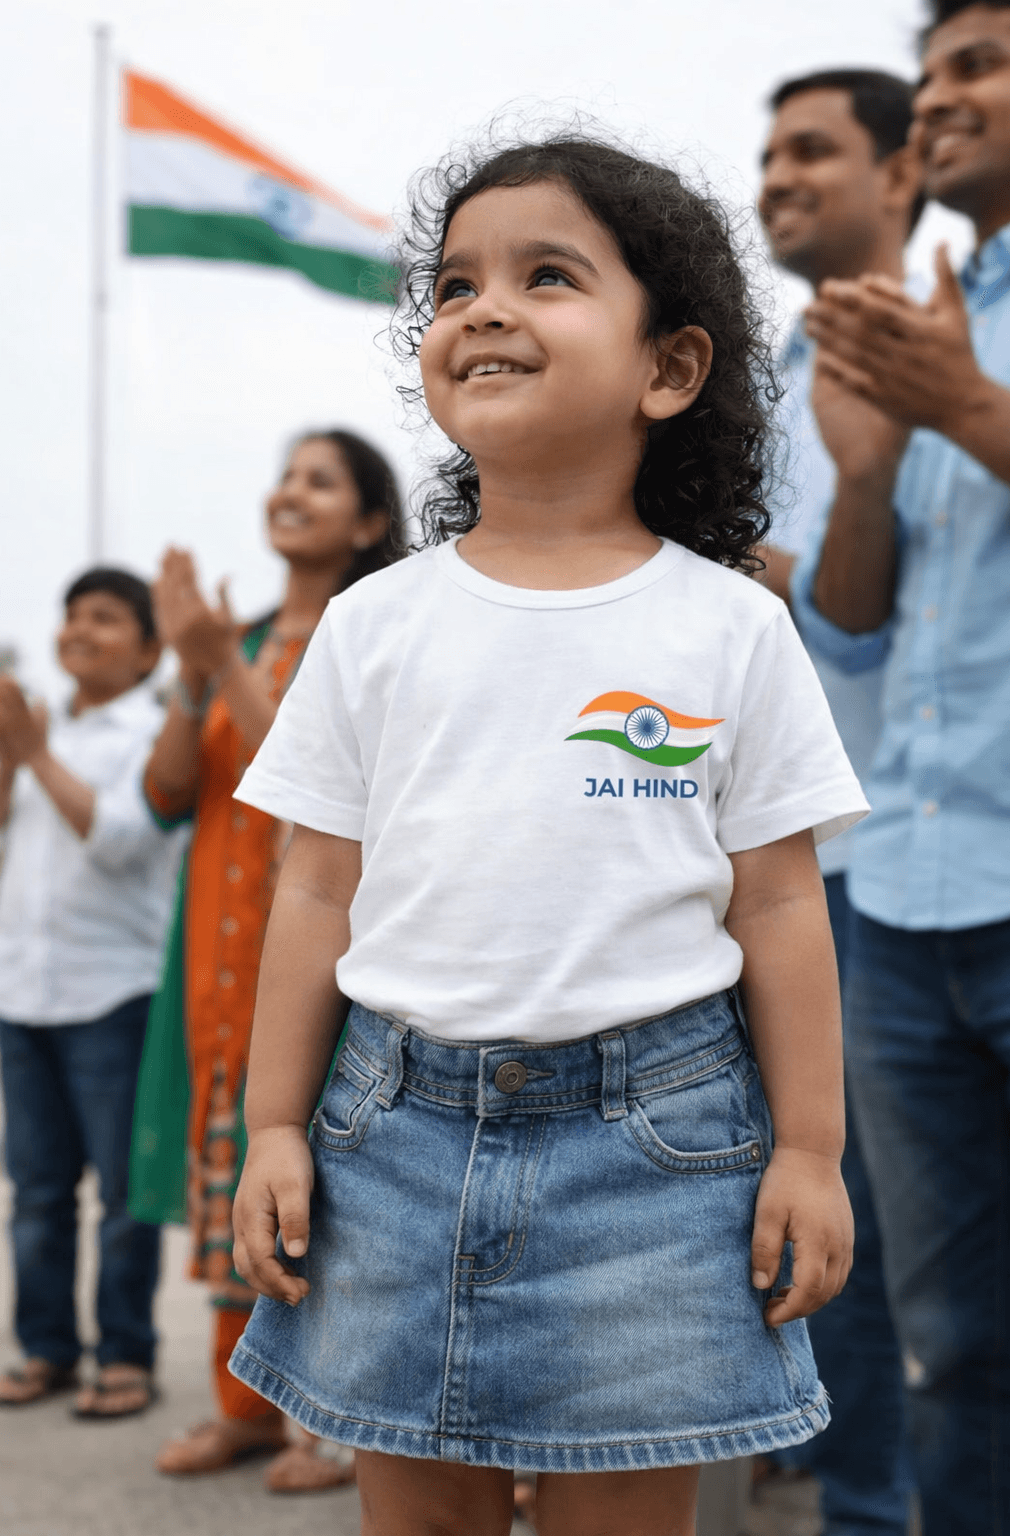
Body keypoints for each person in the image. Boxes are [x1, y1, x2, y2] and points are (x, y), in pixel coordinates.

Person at [227, 130, 870, 1536]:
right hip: (388, 1140)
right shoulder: (373, 622)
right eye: (455, 286)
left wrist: (809, 1151)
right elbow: (314, 890)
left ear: (669, 369)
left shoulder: (732, 627)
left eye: (549, 275)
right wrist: (273, 1126)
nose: (484, 310)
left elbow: (778, 905)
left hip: (661, 1159)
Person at [791, 4, 1010, 1528]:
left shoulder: (945, 350)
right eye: (930, 75)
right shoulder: (930, 308)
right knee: (952, 1352)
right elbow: (857, 632)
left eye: (980, 64)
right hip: (910, 896)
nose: (941, 102)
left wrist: (969, 412)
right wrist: (868, 476)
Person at [142, 430, 403, 1491]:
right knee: (225, 1165)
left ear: (369, 523)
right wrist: (194, 669)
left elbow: (309, 778)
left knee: (329, 1172)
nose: (289, 492)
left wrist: (219, 667)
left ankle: (333, 1422)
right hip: (215, 946)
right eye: (284, 475)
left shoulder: (370, 633)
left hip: (323, 947)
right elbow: (168, 794)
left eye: (319, 480)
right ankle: (243, 1406)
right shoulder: (230, 636)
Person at [755, 69, 922, 1535]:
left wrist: (769, 597)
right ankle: (845, 1471)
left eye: (813, 148)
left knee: (895, 1230)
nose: (777, 175)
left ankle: (874, 1493)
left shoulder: (947, 337)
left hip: (905, 855)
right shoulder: (767, 371)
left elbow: (843, 614)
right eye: (768, 153)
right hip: (793, 860)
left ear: (903, 166)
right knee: (819, 1202)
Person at [0, 568, 187, 1417]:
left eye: (105, 619)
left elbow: (119, 843)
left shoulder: (150, 733)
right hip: (21, 989)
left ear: (148, 649)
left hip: (113, 993)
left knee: (122, 1190)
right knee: (36, 1189)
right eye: (72, 617)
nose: (79, 632)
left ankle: (127, 1356)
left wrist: (31, 754)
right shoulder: (43, 728)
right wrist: (10, 759)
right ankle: (47, 1350)